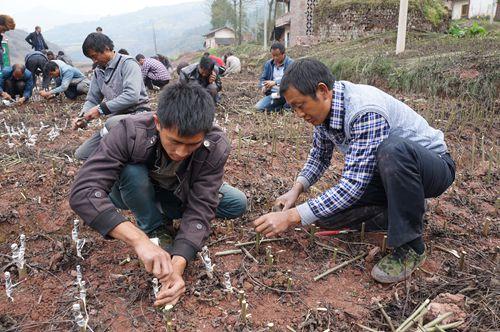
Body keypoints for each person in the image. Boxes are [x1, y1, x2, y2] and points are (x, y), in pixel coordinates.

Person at [253, 59, 456, 284]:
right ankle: (405, 207)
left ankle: (411, 246)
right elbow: (319, 157)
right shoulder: (324, 113)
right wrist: (295, 190)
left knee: (392, 150)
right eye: (293, 108)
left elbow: (353, 186)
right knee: (325, 217)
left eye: (300, 105)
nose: (299, 114)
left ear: (322, 91)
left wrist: (290, 217)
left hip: (433, 169)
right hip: (387, 175)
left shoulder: (364, 110)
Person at [69, 82, 247, 307]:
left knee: (236, 203)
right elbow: (84, 192)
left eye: (192, 145)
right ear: (157, 123)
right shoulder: (130, 131)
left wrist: (179, 262)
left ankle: (161, 209)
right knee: (132, 172)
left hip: (175, 189)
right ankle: (153, 226)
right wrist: (139, 240)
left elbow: (202, 205)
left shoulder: (215, 145)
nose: (181, 152)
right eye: (175, 142)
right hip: (130, 189)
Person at [73, 32, 150, 160]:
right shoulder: (98, 72)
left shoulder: (128, 64)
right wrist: (83, 117)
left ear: (106, 48)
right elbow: (92, 99)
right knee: (82, 154)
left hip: (138, 114)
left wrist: (100, 109)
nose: (94, 61)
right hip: (117, 119)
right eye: (91, 58)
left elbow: (132, 95)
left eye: (94, 56)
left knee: (111, 124)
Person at [255, 42, 293, 112]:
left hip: (287, 94)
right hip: (274, 94)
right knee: (258, 108)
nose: (275, 58)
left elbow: (291, 79)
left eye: (277, 55)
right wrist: (263, 86)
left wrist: (275, 82)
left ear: (283, 54)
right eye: (273, 55)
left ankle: (286, 106)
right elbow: (263, 78)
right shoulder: (268, 64)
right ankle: (281, 108)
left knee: (289, 107)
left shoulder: (291, 63)